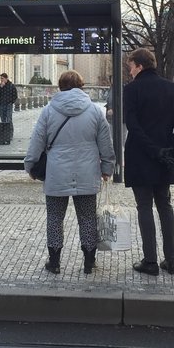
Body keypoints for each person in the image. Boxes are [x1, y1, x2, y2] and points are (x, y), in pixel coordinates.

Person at [24, 70, 114, 275]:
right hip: (87, 172)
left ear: (60, 86)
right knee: (88, 218)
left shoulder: (48, 111)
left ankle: (54, 261)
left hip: (57, 173)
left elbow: (36, 141)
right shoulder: (94, 111)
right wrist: (107, 168)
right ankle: (89, 262)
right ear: (81, 86)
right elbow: (106, 144)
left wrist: (30, 165)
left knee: (55, 218)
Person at [123, 48, 174, 276]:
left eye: (130, 66)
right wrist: (171, 148)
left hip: (141, 155)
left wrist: (153, 149)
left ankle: (150, 260)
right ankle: (171, 259)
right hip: (165, 157)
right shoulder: (172, 88)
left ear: (139, 66)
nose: (129, 71)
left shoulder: (132, 90)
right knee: (165, 205)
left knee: (144, 206)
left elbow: (133, 125)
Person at [0, 73, 18, 144]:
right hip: (1, 104)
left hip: (8, 105)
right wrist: (0, 87)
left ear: (6, 78)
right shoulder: (1, 86)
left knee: (9, 119)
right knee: (3, 119)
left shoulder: (11, 86)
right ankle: (4, 134)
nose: (1, 80)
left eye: (2, 78)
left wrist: (11, 102)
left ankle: (10, 134)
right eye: (1, 78)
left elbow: (15, 95)